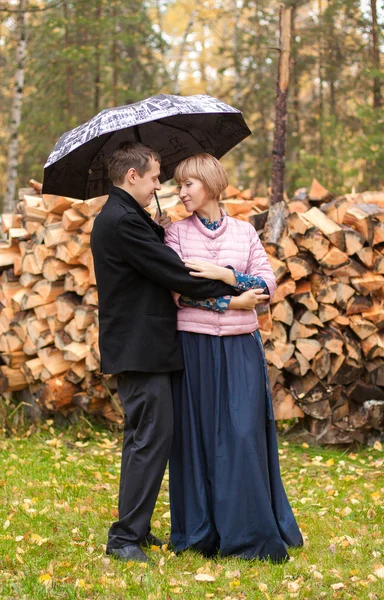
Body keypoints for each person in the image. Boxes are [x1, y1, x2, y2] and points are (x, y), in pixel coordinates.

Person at [90, 142, 264, 563]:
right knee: (150, 438)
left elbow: (155, 256)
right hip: (139, 348)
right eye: (154, 177)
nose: (159, 185)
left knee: (149, 437)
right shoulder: (120, 221)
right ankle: (124, 538)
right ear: (132, 176)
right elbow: (173, 271)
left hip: (148, 348)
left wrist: (157, 226)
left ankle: (136, 528)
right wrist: (233, 290)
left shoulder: (130, 217)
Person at [164, 153, 303, 562]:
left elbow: (267, 284)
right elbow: (177, 291)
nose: (181, 192)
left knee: (242, 435)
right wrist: (231, 303)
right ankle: (200, 532)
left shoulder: (244, 232)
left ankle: (247, 532)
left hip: (242, 348)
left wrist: (228, 277)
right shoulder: (175, 234)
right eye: (177, 185)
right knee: (199, 435)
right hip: (194, 347)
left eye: (187, 184)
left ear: (208, 182)